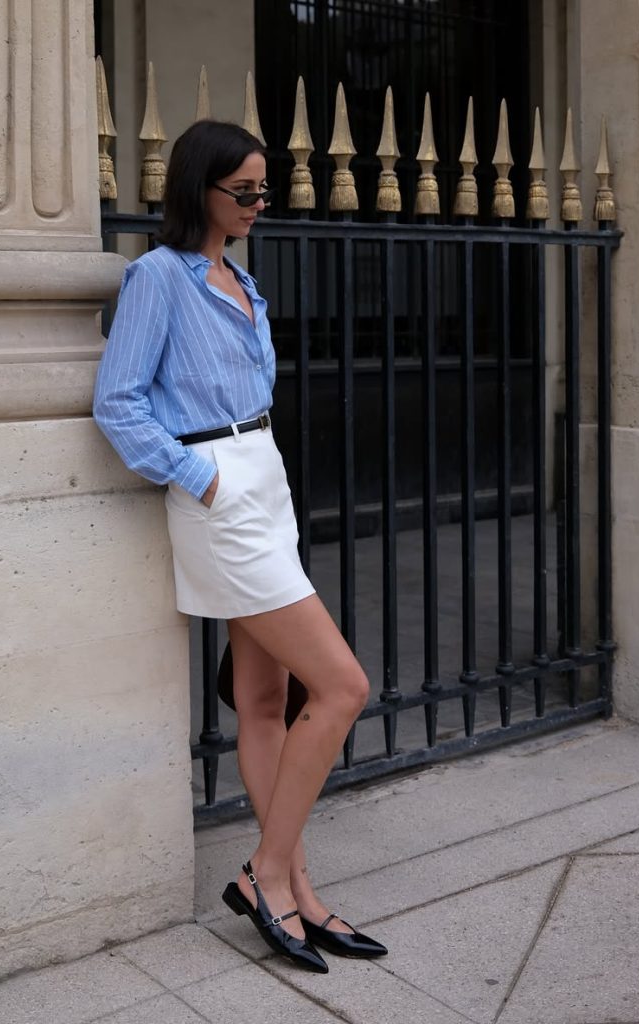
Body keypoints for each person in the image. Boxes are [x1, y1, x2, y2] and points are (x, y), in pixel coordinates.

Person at [93, 119, 386, 973]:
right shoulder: (157, 278)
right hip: (220, 488)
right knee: (341, 686)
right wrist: (204, 480)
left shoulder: (241, 280)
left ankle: (297, 887)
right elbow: (119, 403)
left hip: (264, 478)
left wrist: (246, 477)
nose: (262, 203)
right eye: (246, 190)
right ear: (200, 190)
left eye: (266, 189)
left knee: (266, 701)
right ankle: (264, 873)